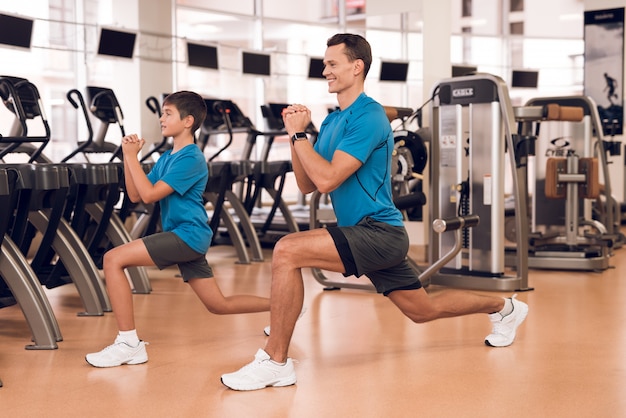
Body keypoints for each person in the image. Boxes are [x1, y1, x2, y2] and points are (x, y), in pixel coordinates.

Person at [220, 33, 529, 391]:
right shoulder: (335, 121)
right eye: (324, 64)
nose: (325, 71)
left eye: (332, 64)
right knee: (421, 311)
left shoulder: (369, 117)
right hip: (367, 233)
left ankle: (276, 361)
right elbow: (306, 183)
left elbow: (328, 180)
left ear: (357, 67)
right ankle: (505, 308)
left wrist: (301, 137)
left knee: (288, 251)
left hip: (379, 233)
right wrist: (295, 136)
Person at [86, 91, 270, 368]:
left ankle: (128, 343)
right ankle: (285, 306)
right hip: (187, 236)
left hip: (186, 235)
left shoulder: (190, 158)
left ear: (188, 121)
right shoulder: (166, 158)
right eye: (162, 113)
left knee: (113, 259)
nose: (161, 118)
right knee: (218, 305)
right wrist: (127, 157)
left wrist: (133, 158)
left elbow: (150, 196)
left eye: (168, 113)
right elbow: (135, 194)